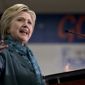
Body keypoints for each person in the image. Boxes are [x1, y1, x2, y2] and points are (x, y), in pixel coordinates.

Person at [0, 4, 46, 85]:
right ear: (7, 27)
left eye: (29, 22)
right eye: (20, 20)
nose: (26, 25)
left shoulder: (29, 57)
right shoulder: (3, 52)